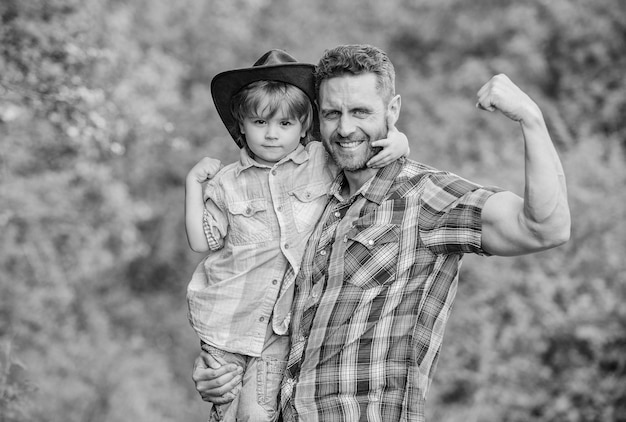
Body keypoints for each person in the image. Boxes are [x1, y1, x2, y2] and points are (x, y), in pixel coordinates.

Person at [192, 44, 571, 422]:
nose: (345, 128)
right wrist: (222, 369)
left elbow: (544, 228)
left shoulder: (424, 196)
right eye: (332, 114)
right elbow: (264, 303)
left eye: (360, 112)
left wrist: (531, 119)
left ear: (392, 111)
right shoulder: (311, 200)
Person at [185, 49, 410, 422]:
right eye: (260, 122)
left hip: (279, 327)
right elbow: (201, 241)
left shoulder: (320, 162)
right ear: (240, 124)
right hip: (225, 321)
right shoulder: (226, 183)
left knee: (256, 415)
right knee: (224, 412)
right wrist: (194, 184)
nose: (272, 134)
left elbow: (369, 145)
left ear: (304, 126)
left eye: (285, 124)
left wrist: (400, 141)